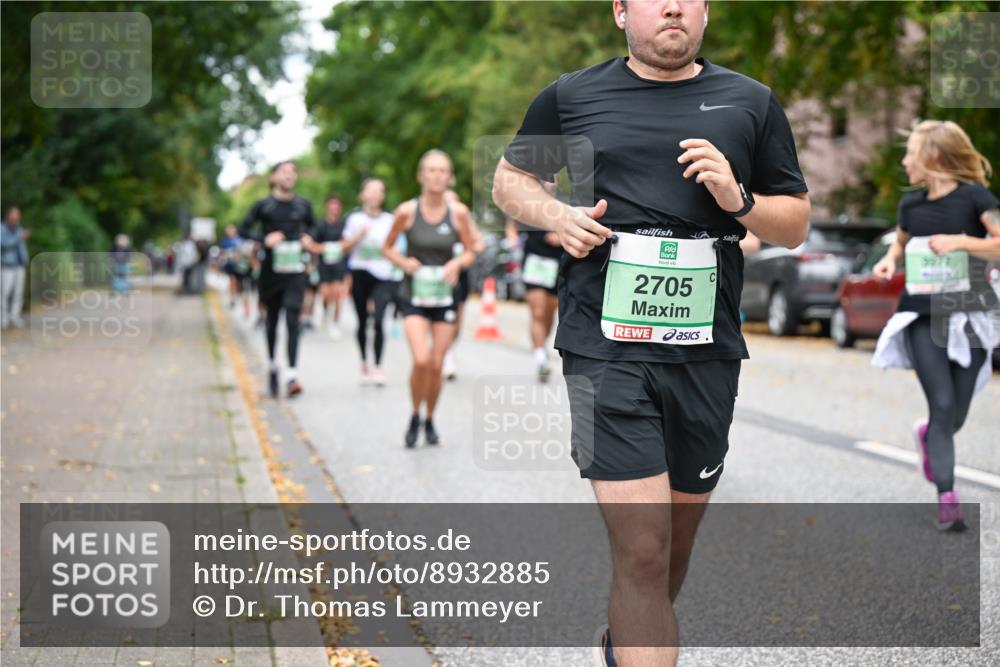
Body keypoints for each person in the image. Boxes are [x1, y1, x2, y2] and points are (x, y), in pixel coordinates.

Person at [492, 2, 810, 665]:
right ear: (620, 11)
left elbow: (796, 222)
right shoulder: (575, 95)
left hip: (707, 349)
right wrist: (555, 215)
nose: (673, 6)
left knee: (671, 551)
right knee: (641, 547)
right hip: (602, 343)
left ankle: (623, 644)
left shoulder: (749, 102)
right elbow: (509, 179)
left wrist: (739, 199)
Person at [872, 119, 999, 532]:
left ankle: (929, 435)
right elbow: (901, 239)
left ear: (933, 156)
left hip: (970, 316)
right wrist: (891, 258)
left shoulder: (976, 198)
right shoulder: (911, 205)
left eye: (911, 153)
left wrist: (963, 242)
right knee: (942, 405)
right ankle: (948, 499)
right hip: (922, 316)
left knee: (954, 417)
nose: (905, 161)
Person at [383, 150, 476, 447]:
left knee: (436, 364)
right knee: (421, 359)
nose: (437, 176)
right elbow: (387, 247)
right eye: (431, 170)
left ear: (449, 178)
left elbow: (473, 248)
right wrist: (404, 262)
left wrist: (457, 264)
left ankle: (430, 418)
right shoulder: (407, 212)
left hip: (445, 297)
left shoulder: (458, 214)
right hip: (414, 294)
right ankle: (413, 412)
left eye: (443, 171)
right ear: (421, 176)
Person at [239, 161, 320, 398]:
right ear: (273, 177)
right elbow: (243, 228)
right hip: (271, 272)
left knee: (293, 317)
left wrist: (308, 237)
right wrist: (264, 238)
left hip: (295, 270)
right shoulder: (264, 205)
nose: (289, 176)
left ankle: (292, 374)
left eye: (292, 173)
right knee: (272, 320)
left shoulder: (302, 205)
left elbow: (315, 227)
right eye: (284, 172)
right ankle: (273, 365)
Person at [344, 178, 397, 385]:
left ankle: (378, 366)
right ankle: (364, 362)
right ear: (362, 195)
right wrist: (358, 236)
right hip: (360, 273)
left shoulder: (390, 220)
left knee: (379, 320)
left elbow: (394, 246)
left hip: (383, 275)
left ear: (383, 196)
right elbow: (344, 247)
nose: (375, 195)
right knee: (362, 320)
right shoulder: (354, 219)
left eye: (379, 191)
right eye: (371, 190)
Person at [441, 188, 485, 380]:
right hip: (437, 279)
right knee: (442, 319)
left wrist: (466, 255)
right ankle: (445, 355)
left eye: (455, 203)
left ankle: (448, 351)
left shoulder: (464, 224)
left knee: (456, 322)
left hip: (461, 277)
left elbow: (480, 245)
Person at [313, 195, 363, 340]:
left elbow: (348, 243)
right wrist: (324, 248)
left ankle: (335, 323)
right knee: (326, 294)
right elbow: (314, 245)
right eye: (332, 205)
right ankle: (323, 310)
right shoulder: (320, 224)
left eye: (337, 205)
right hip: (324, 264)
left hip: (339, 265)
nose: (334, 208)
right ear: (327, 206)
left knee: (338, 295)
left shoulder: (344, 225)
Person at [1, 206, 29, 329]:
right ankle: (3, 318)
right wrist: (19, 238)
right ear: (8, 216)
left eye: (17, 216)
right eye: (13, 216)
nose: (15, 218)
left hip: (19, 265)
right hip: (6, 266)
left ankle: (15, 316)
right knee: (4, 293)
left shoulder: (19, 228)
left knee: (18, 293)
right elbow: (3, 245)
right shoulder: (2, 229)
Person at [220, 224, 244, 308]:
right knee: (232, 281)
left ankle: (239, 296)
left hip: (239, 264)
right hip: (229, 264)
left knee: (239, 282)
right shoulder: (225, 241)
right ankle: (232, 298)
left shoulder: (239, 240)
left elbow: (242, 251)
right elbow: (222, 252)